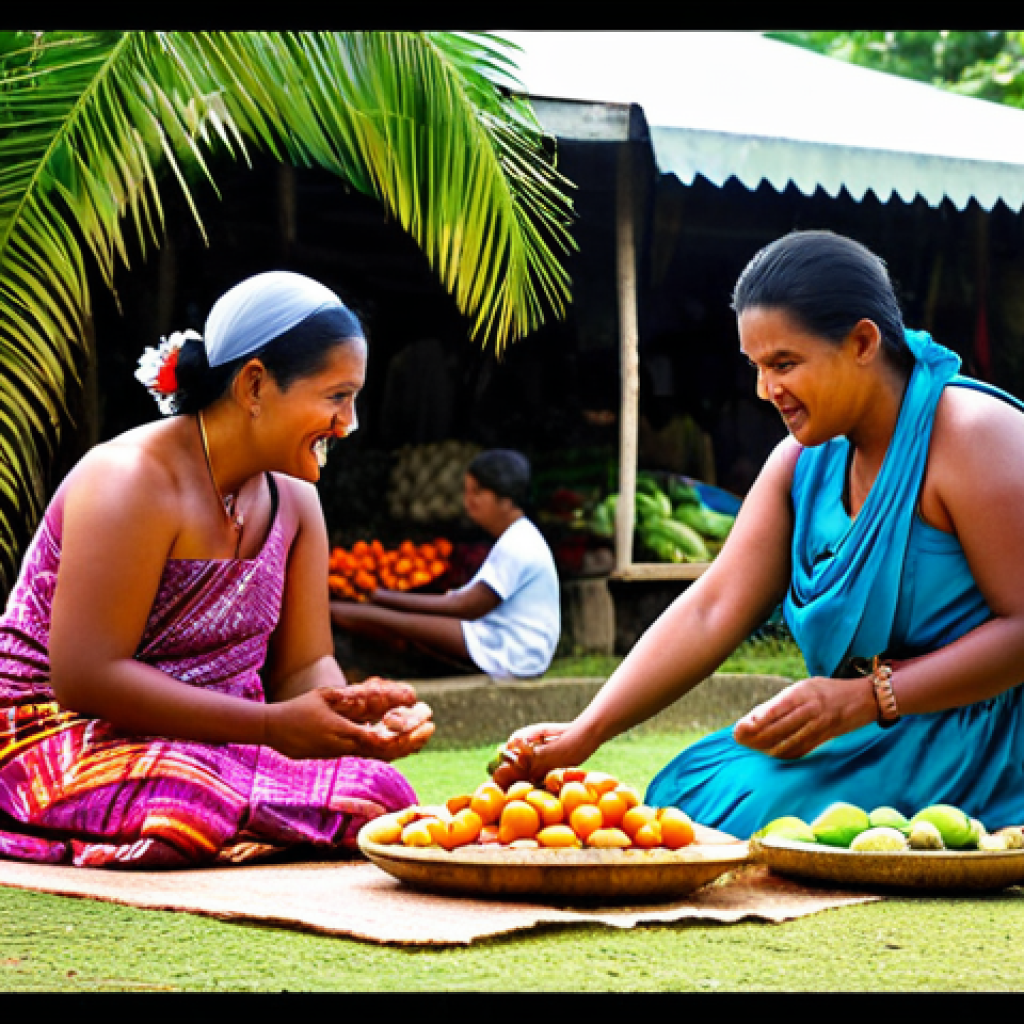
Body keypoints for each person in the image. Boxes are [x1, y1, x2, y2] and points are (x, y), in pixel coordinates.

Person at [507, 229, 1024, 838]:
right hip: (863, 729)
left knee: (744, 812)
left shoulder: (972, 434)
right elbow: (712, 608)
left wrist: (865, 699)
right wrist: (585, 731)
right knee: (686, 787)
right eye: (756, 367)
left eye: (784, 364)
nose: (765, 390)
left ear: (861, 342)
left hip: (989, 743)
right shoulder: (799, 464)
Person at [0, 271, 435, 869]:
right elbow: (85, 678)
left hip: (212, 744)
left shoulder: (295, 499)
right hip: (58, 735)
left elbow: (304, 667)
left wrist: (352, 718)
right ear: (255, 384)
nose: (349, 423)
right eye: (336, 397)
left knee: (380, 794)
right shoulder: (129, 479)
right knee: (188, 802)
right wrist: (270, 727)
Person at [331, 449, 561, 680]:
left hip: (513, 653)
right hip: (500, 640)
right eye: (467, 491)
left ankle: (330, 614)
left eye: (478, 492)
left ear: (506, 499)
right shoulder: (517, 536)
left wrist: (383, 597)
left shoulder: (519, 542)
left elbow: (468, 607)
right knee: (391, 620)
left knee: (391, 621)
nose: (468, 501)